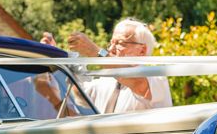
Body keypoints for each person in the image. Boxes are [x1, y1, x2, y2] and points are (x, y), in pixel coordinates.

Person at [40, 19, 172, 114]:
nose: (111, 48)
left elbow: (136, 81)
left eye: (120, 43)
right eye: (111, 43)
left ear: (142, 50)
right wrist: (55, 57)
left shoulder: (156, 76)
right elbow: (79, 93)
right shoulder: (106, 80)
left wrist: (95, 52)